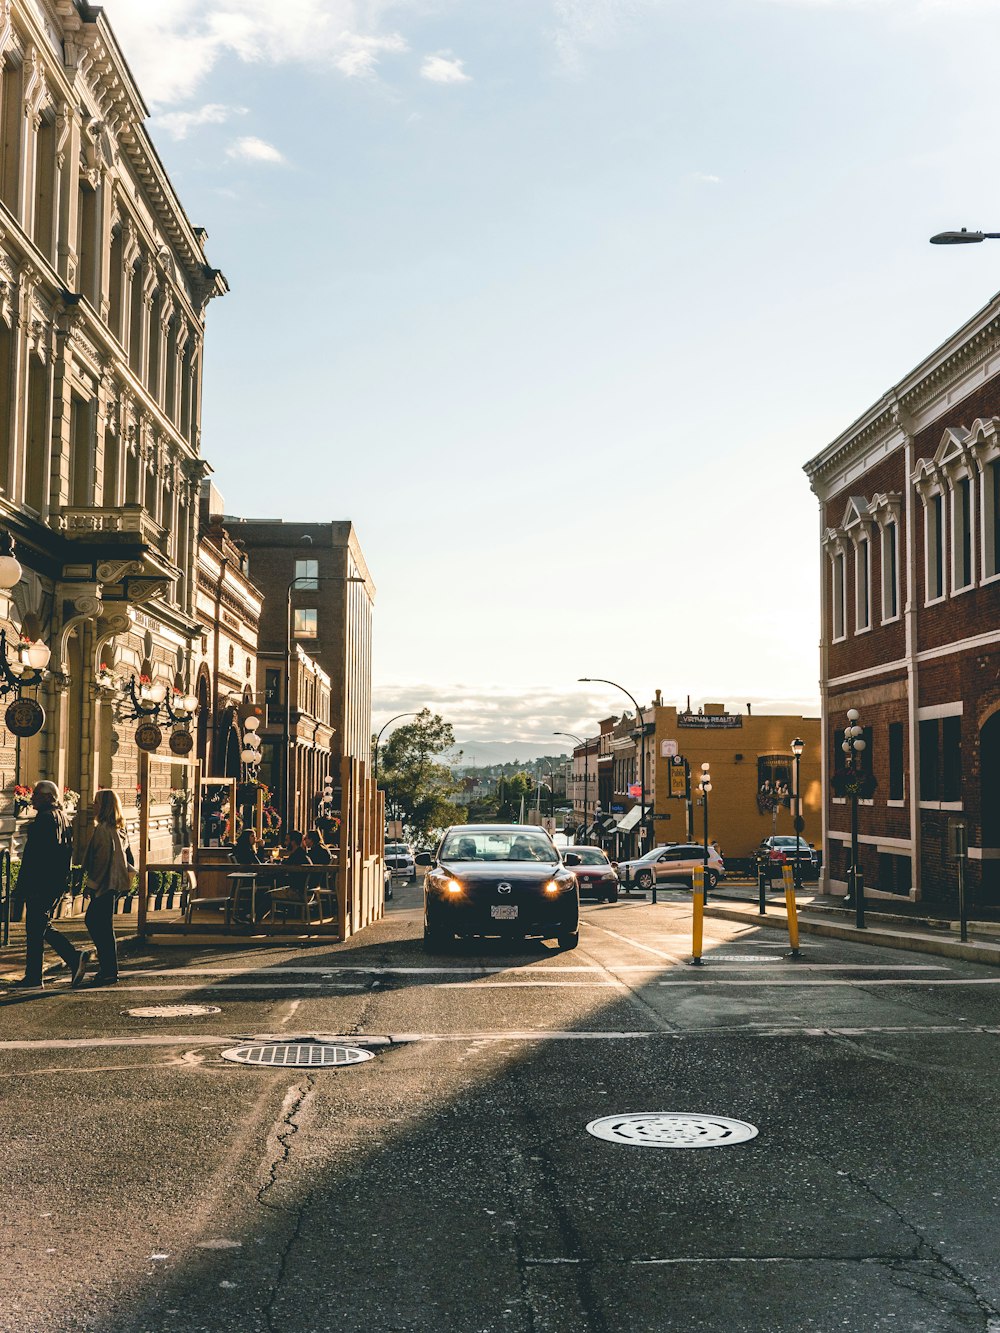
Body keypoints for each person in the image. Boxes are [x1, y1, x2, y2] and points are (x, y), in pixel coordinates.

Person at [10, 781, 87, 991]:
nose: (32, 798)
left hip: (41, 883)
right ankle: (40, 973)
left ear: (46, 797)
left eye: (36, 794)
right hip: (54, 882)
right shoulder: (62, 817)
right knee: (39, 926)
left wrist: (22, 885)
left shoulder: (44, 819)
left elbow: (34, 858)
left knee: (36, 928)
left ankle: (39, 975)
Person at [80, 790, 130, 986]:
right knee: (104, 926)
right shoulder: (118, 828)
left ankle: (109, 969)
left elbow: (101, 860)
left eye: (97, 802)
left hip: (105, 884)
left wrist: (91, 885)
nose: (94, 806)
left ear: (105, 806)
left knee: (95, 922)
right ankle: (109, 969)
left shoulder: (102, 829)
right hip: (114, 884)